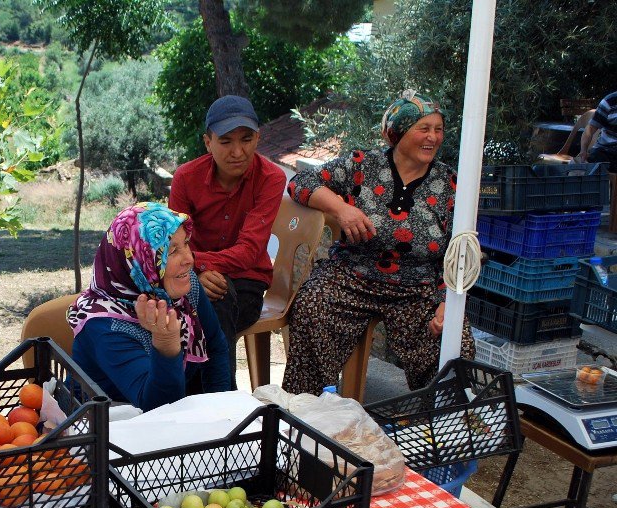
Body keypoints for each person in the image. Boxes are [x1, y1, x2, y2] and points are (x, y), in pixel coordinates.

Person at [282, 90, 475, 396]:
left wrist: (446, 302)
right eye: (423, 129)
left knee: (455, 341)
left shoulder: (451, 185)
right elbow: (300, 183)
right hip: (352, 276)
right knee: (312, 305)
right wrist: (341, 209)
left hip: (417, 288)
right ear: (397, 133)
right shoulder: (362, 165)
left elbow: (461, 252)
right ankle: (307, 408)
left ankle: (443, 423)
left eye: (438, 130)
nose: (433, 138)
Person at [168, 95, 287, 386]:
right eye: (225, 142)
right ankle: (201, 399)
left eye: (246, 139)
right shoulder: (186, 178)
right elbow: (173, 239)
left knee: (214, 302)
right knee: (179, 305)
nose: (238, 151)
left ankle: (220, 402)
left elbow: (249, 251)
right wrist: (196, 272)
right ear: (207, 142)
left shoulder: (271, 177)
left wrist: (198, 263)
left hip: (247, 280)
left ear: (258, 138)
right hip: (190, 276)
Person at [69, 202, 231, 411]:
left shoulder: (183, 289)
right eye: (171, 251)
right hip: (106, 426)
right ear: (137, 260)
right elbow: (158, 408)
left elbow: (215, 345)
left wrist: (221, 412)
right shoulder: (105, 326)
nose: (189, 259)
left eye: (186, 244)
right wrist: (166, 344)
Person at [577, 91, 617, 171]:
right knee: (595, 162)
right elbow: (591, 128)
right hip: (606, 150)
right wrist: (583, 150)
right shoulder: (609, 102)